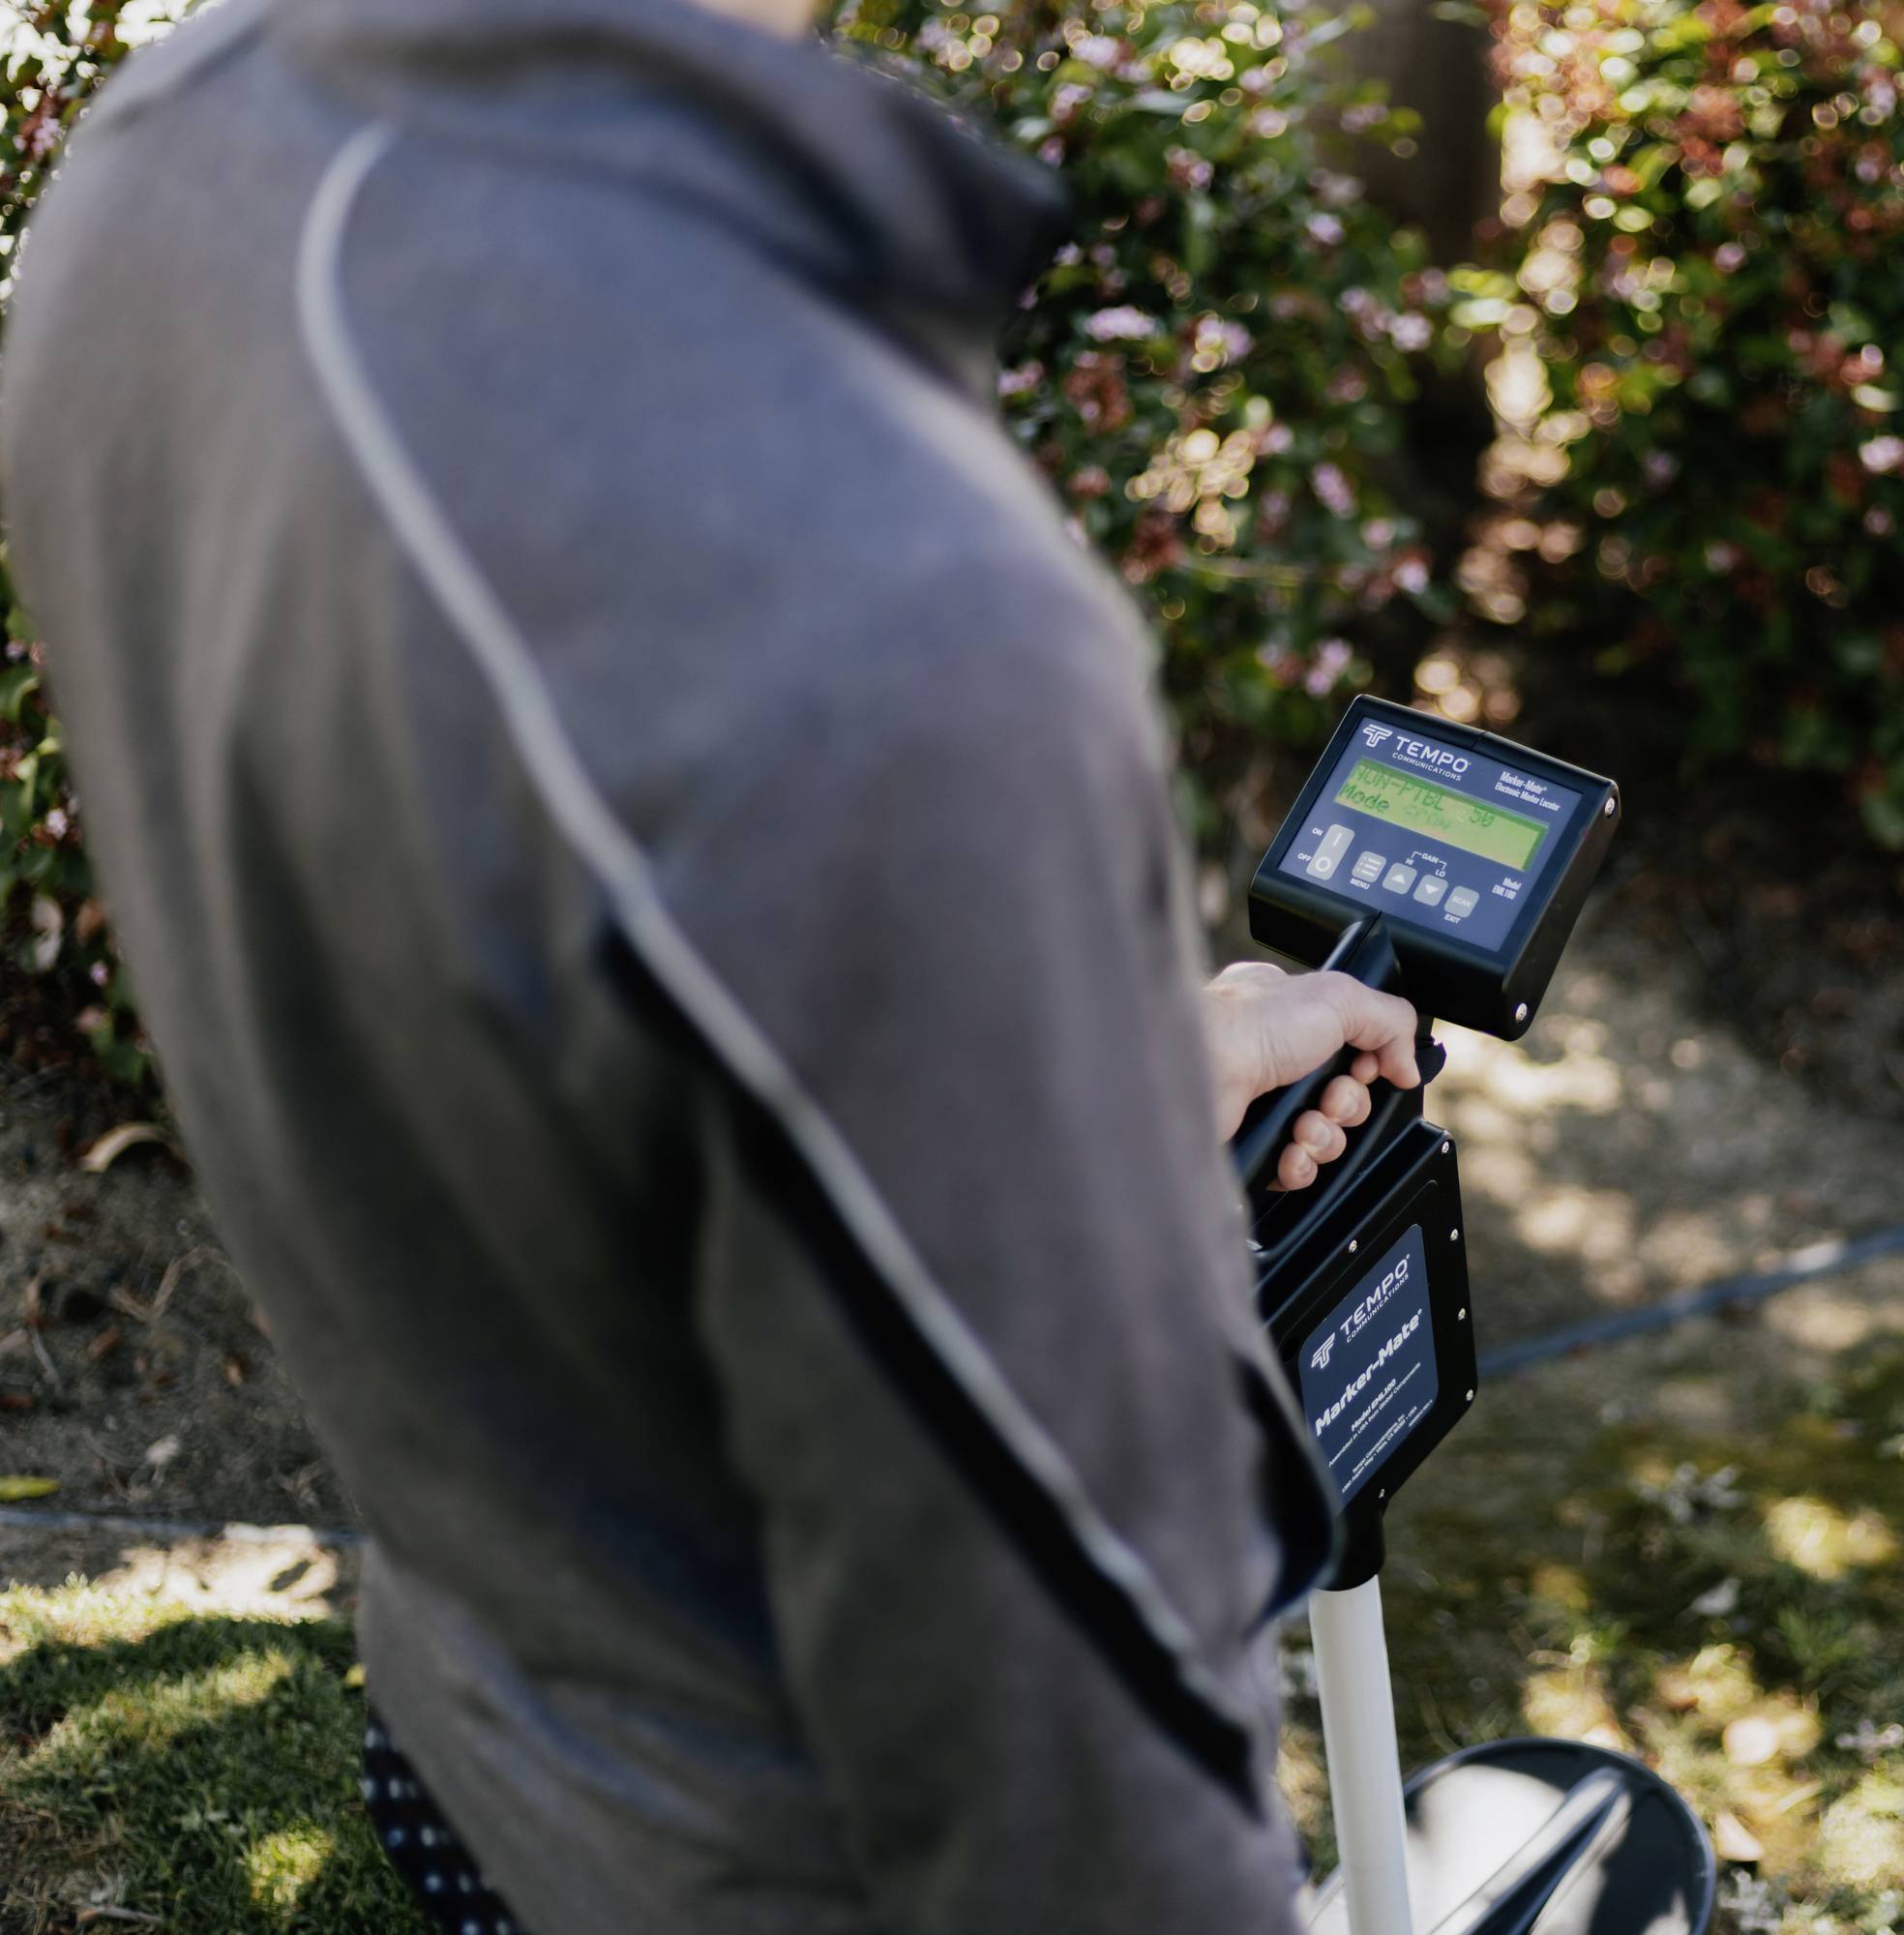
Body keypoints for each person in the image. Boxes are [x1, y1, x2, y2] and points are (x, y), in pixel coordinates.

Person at [0, 0, 1422, 1924]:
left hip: (474, 1745)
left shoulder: (164, 172)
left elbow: (544, 998)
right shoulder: (882, 608)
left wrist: (1053, 1078)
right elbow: (1084, 1796)